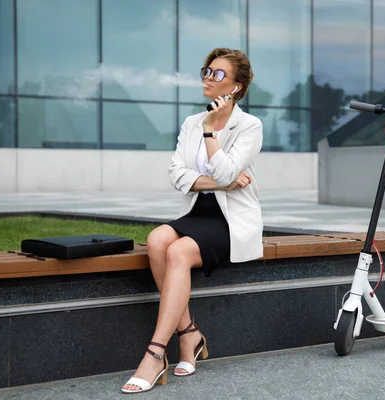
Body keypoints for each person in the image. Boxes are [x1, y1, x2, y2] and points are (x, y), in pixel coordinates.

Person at [122, 48, 263, 394]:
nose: (207, 78)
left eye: (217, 74)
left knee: (179, 252)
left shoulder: (250, 126)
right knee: (157, 240)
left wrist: (212, 133)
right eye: (207, 71)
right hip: (200, 211)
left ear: (238, 86)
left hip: (232, 220)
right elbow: (177, 174)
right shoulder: (191, 123)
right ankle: (189, 334)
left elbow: (228, 168)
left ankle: (155, 354)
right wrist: (222, 181)